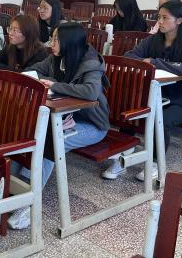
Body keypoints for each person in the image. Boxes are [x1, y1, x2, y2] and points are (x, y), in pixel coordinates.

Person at [7, 22, 109, 229]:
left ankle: (27, 203)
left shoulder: (91, 63)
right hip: (62, 118)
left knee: (51, 141)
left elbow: (90, 92)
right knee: (29, 133)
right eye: (52, 38)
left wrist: (55, 85)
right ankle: (13, 185)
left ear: (69, 42)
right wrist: (51, 79)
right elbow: (31, 71)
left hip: (91, 125)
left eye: (56, 39)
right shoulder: (56, 58)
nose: (51, 43)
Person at [104, 0, 182, 181]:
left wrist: (156, 63)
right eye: (159, 17)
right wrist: (146, 63)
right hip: (155, 96)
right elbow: (130, 56)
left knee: (160, 119)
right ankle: (123, 155)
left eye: (165, 18)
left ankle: (156, 163)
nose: (160, 22)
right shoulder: (154, 40)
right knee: (129, 110)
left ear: (179, 20)